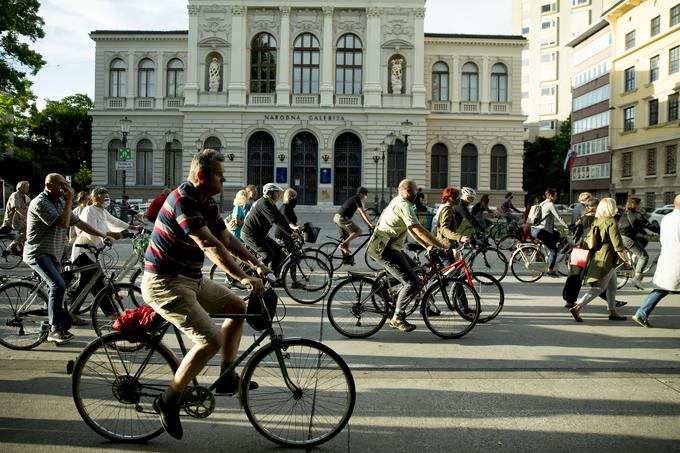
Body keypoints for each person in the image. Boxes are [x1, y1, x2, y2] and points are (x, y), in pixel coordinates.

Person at [141, 149, 271, 440]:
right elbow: (209, 245)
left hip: (190, 279)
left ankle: (226, 377)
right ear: (202, 176)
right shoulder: (184, 200)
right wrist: (243, 277)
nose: (224, 179)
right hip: (165, 282)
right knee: (210, 339)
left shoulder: (207, 202)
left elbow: (226, 239)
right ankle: (169, 399)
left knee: (238, 306)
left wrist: (257, 264)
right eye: (219, 174)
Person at [23, 174, 114, 344]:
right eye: (61, 185)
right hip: (38, 253)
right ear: (49, 186)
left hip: (54, 254)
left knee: (56, 289)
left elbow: (79, 223)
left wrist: (102, 235)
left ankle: (46, 327)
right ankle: (55, 329)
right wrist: (71, 199)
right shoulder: (40, 202)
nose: (65, 188)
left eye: (66, 185)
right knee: (58, 285)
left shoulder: (59, 202)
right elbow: (63, 224)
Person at [367, 179, 447, 333]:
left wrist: (428, 246)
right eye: (413, 192)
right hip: (385, 249)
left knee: (417, 270)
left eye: (415, 192)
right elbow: (418, 229)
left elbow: (412, 230)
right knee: (412, 283)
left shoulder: (398, 201)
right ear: (405, 191)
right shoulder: (403, 205)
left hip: (389, 247)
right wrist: (441, 246)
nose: (415, 195)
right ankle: (397, 318)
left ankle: (383, 287)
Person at [70, 188, 139, 315]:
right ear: (94, 198)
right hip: (84, 251)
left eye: (107, 197)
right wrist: (109, 235)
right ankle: (109, 313)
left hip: (92, 251)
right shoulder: (89, 210)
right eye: (103, 197)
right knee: (92, 283)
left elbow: (114, 221)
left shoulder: (102, 211)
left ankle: (106, 312)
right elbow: (91, 230)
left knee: (93, 283)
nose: (107, 199)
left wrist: (132, 227)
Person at [568, 198, 629, 322]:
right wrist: (626, 262)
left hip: (596, 257)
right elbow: (618, 246)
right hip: (606, 259)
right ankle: (578, 307)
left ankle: (612, 312)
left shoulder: (597, 220)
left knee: (612, 285)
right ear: (611, 208)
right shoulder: (611, 222)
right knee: (599, 288)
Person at [632, 194, 680, 327]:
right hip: (677, 258)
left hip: (667, 257)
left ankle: (641, 313)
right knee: (663, 288)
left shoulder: (667, 218)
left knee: (662, 288)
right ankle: (641, 313)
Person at [241, 183, 298, 277]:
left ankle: (272, 276)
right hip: (250, 234)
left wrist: (291, 231)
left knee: (280, 251)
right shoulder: (264, 203)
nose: (279, 195)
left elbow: (280, 217)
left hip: (260, 235)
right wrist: (290, 233)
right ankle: (252, 274)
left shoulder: (270, 202)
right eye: (277, 193)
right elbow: (275, 220)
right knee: (268, 255)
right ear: (270, 193)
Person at [618, 196, 659, 289]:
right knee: (644, 256)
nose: (641, 205)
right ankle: (637, 277)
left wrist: (649, 234)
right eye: (639, 203)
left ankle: (634, 259)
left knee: (643, 241)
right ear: (634, 204)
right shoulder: (636, 214)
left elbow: (639, 226)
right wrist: (659, 230)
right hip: (627, 238)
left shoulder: (626, 213)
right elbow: (649, 225)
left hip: (624, 237)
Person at [531, 188, 569, 276]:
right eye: (555, 195)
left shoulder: (542, 203)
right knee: (554, 250)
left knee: (557, 234)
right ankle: (550, 270)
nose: (556, 197)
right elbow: (559, 218)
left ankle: (549, 259)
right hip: (541, 231)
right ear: (551, 196)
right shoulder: (550, 204)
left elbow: (546, 219)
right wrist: (568, 226)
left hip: (535, 230)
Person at [333, 187, 374, 255]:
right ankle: (343, 245)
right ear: (360, 194)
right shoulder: (356, 199)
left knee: (347, 237)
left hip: (337, 217)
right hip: (342, 218)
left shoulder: (355, 199)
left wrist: (368, 224)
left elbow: (361, 215)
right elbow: (363, 212)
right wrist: (370, 224)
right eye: (365, 194)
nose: (365, 196)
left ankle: (346, 259)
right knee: (358, 231)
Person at [1, 181, 30, 255]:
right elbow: (17, 208)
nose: (27, 188)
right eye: (25, 187)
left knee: (31, 231)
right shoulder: (15, 195)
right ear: (19, 187)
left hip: (22, 220)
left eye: (27, 187)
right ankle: (12, 247)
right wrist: (27, 216)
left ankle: (24, 248)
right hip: (13, 220)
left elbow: (30, 209)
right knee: (27, 231)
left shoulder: (26, 197)